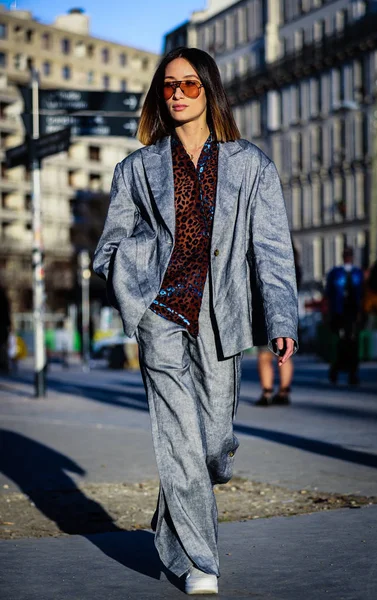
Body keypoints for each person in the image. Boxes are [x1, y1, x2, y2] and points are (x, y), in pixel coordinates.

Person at [93, 47, 298, 596]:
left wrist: (282, 318)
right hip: (158, 314)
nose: (178, 94)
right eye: (168, 86)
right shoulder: (136, 169)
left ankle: (172, 532)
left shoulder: (250, 165)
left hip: (221, 316)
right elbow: (107, 247)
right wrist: (132, 280)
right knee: (179, 437)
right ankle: (201, 563)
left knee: (211, 445)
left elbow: (272, 250)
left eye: (189, 85)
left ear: (210, 91)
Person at [256, 243, 302, 406]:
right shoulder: (293, 267)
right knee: (284, 354)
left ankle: (267, 392)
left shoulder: (263, 260)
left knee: (264, 355)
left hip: (265, 313)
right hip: (287, 314)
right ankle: (284, 391)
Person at [326, 246, 364, 385]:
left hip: (353, 313)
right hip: (339, 313)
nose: (348, 257)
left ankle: (353, 372)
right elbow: (330, 293)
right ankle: (336, 369)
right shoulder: (336, 273)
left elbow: (362, 293)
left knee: (353, 343)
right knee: (341, 343)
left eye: (350, 255)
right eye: (346, 255)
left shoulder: (357, 273)